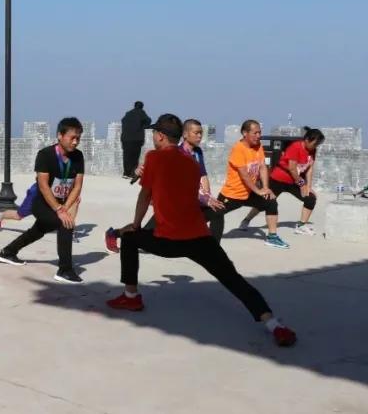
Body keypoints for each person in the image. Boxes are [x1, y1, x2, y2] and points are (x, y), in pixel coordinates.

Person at [105, 114, 297, 347]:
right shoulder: (192, 163)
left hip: (168, 240)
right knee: (233, 280)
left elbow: (145, 196)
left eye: (154, 133)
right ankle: (274, 325)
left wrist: (135, 225)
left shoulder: (154, 157)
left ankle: (131, 297)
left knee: (129, 238)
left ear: (161, 136)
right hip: (200, 238)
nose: (153, 137)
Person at [105, 118, 225, 253]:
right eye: (196, 133)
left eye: (201, 133)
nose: (199, 136)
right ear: (185, 135)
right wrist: (138, 171)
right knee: (141, 235)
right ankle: (113, 234)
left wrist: (208, 197)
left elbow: (203, 175)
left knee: (217, 211)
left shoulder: (197, 152)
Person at [0, 117, 86, 283]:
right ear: (60, 135)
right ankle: (65, 270)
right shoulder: (45, 155)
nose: (75, 142)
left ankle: (7, 252)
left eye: (78, 138)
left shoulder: (78, 156)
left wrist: (65, 207)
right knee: (65, 224)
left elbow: (77, 186)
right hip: (42, 203)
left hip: (61, 203)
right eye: (72, 137)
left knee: (38, 231)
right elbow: (43, 186)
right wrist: (59, 210)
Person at [212, 120, 287, 248]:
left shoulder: (258, 146)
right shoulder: (238, 149)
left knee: (271, 202)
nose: (258, 136)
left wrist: (265, 188)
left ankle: (272, 237)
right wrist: (258, 191)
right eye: (255, 133)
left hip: (249, 192)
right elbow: (244, 175)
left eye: (260, 132)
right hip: (232, 194)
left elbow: (262, 166)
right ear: (244, 133)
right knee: (213, 214)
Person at [238, 127, 325, 237]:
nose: (316, 146)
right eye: (315, 143)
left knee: (310, 198)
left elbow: (309, 168)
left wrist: (308, 186)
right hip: (278, 179)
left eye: (318, 144)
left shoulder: (312, 150)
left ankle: (301, 225)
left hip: (294, 182)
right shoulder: (296, 147)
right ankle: (246, 220)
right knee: (264, 202)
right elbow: (292, 168)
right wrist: (302, 184)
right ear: (307, 140)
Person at [120, 101, 151, 179]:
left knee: (126, 156)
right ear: (141, 106)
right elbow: (148, 121)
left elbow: (123, 121)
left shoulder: (128, 113)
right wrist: (143, 125)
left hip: (125, 138)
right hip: (136, 139)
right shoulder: (141, 112)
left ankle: (126, 173)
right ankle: (132, 173)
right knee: (134, 156)